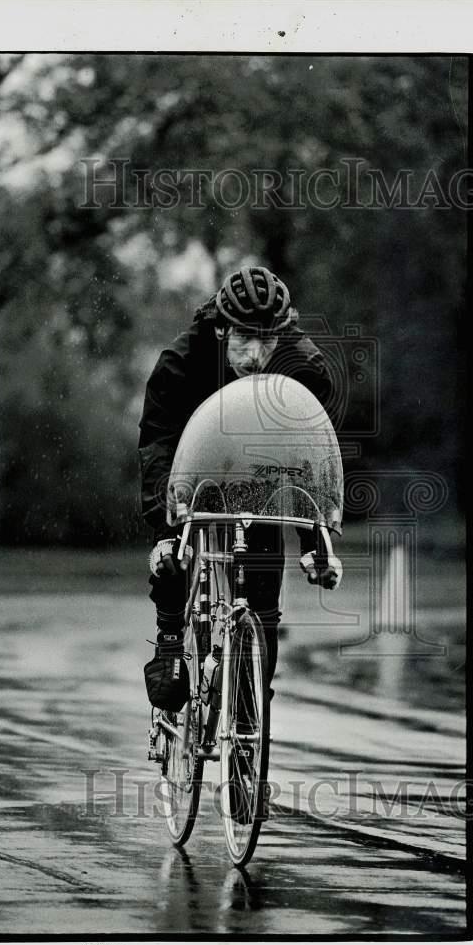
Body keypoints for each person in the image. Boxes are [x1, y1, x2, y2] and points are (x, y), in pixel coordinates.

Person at [138, 265, 343, 710]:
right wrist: (164, 531)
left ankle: (250, 713)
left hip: (262, 478)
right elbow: (157, 446)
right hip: (192, 472)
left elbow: (308, 458)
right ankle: (170, 642)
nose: (255, 354)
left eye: (267, 339)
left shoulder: (304, 369)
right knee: (174, 557)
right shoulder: (181, 363)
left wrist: (316, 538)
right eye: (244, 338)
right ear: (221, 330)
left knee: (264, 602)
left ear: (282, 334)